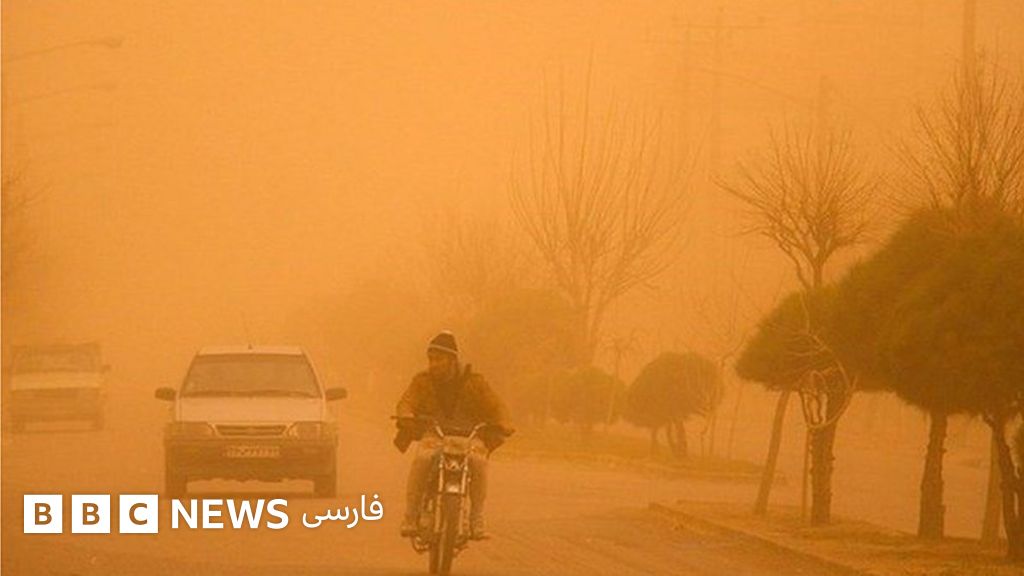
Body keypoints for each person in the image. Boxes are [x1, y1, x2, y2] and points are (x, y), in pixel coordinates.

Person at [394, 331, 511, 540]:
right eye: (431, 359)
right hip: (434, 435)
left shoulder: (475, 382)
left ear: (452, 360)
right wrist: (406, 414)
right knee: (422, 459)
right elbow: (407, 401)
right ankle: (410, 516)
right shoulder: (422, 381)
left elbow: (496, 406)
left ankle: (476, 519)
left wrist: (503, 422)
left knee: (478, 462)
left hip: (470, 437)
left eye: (439, 359)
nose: (433, 364)